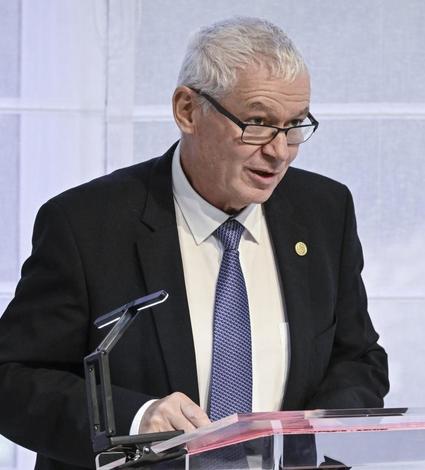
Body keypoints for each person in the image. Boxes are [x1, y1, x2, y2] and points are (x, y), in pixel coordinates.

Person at [0, 17, 388, 470]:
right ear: (187, 110)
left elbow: (357, 358)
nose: (279, 151)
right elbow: (12, 379)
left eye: (294, 125)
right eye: (258, 123)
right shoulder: (85, 224)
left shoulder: (325, 211)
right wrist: (135, 419)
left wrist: (316, 438)